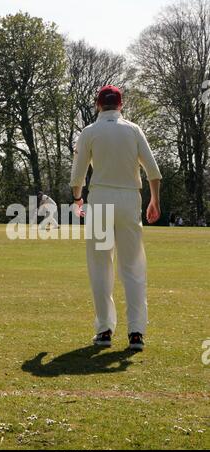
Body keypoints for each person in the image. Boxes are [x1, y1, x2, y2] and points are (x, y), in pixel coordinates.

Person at [70, 85, 162, 351]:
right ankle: (136, 333)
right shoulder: (133, 130)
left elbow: (77, 177)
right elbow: (153, 172)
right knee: (133, 267)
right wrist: (154, 200)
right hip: (129, 199)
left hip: (99, 199)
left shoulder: (89, 132)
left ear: (99, 105)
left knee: (100, 267)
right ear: (120, 105)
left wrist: (78, 199)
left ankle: (105, 330)